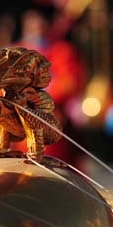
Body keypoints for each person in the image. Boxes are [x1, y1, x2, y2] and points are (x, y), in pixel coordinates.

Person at [19, 9, 85, 161]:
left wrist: (35, 97)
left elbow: (69, 83)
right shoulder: (17, 52)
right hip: (21, 124)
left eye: (39, 26)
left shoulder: (62, 51)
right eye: (30, 26)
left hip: (51, 119)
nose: (35, 31)